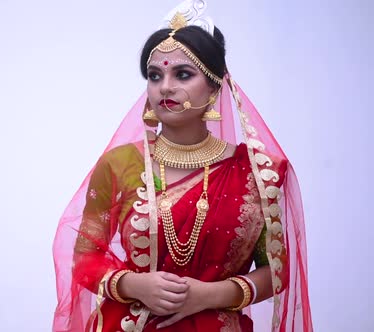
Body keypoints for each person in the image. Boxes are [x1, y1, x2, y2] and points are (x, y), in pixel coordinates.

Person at [53, 1, 312, 331]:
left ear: (216, 87)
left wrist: (209, 294)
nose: (165, 87)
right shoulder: (120, 166)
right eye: (155, 75)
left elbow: (276, 271)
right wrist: (133, 285)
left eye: (183, 74)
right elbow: (84, 258)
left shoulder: (259, 173)